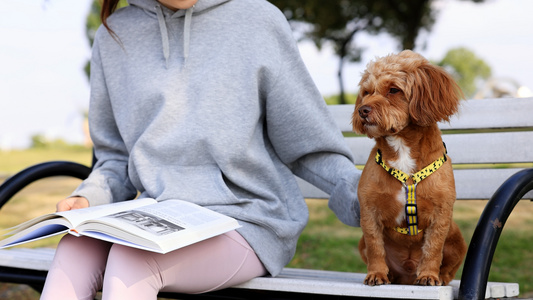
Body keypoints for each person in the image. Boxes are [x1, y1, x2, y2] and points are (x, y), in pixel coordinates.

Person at [40, 0, 361, 299]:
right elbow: (116, 159)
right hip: (156, 218)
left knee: (132, 258)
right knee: (75, 248)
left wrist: (372, 199)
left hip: (248, 221)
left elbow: (309, 146)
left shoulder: (258, 21)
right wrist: (88, 198)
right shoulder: (115, 36)